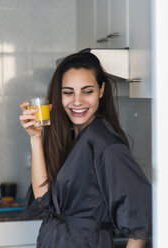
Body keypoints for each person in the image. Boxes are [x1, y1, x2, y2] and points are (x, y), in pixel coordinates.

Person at [19, 51, 152, 248]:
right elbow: (42, 199)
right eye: (68, 92)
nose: (77, 101)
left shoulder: (103, 141)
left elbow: (139, 222)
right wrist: (36, 138)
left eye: (87, 91)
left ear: (101, 90)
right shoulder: (71, 135)